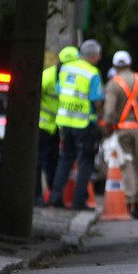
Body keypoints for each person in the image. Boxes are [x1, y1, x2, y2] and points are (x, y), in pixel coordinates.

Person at [48, 39, 104, 210]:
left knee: (65, 159)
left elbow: (59, 91)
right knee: (85, 161)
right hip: (83, 123)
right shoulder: (92, 73)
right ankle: (79, 201)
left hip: (65, 122)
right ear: (94, 56)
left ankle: (56, 197)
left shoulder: (66, 68)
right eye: (98, 56)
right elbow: (97, 101)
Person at [102, 50, 138, 219]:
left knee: (126, 163)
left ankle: (129, 199)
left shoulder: (114, 84)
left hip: (123, 130)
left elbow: (109, 112)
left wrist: (107, 127)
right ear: (130, 64)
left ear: (115, 66)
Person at [35, 46, 78, 207]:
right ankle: (37, 197)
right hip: (43, 126)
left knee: (53, 161)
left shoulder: (72, 79)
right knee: (39, 161)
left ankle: (55, 196)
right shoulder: (47, 76)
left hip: (56, 128)